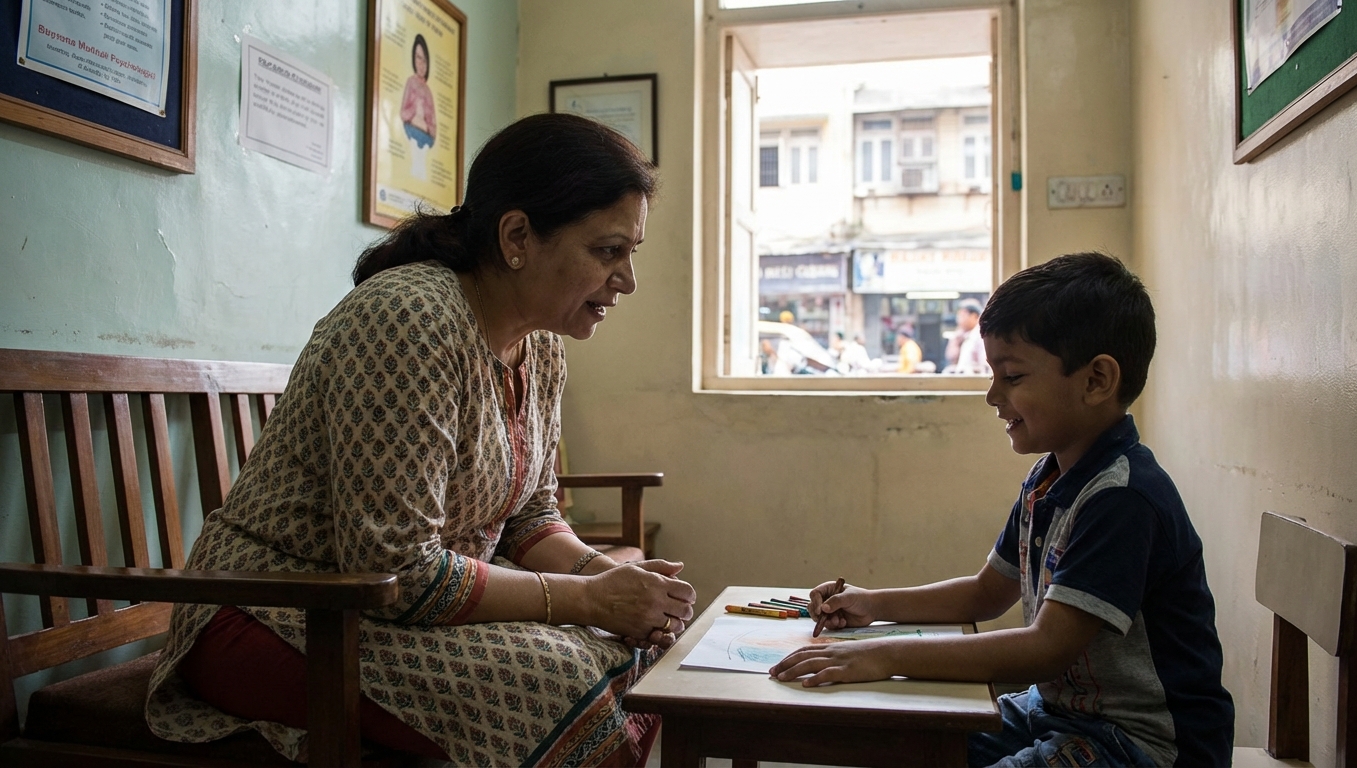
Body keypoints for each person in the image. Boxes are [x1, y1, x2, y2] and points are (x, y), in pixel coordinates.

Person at [145, 113, 697, 767]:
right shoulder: (410, 320)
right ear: (517, 234)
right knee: (559, 685)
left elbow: (531, 520)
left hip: (389, 612)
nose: (627, 280)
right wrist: (584, 598)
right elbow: (395, 571)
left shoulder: (541, 347)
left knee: (642, 642)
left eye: (631, 253)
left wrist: (617, 581)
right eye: (608, 251)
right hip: (278, 610)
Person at [771, 253, 1235, 767]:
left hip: (1143, 744)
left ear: (1097, 380)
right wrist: (874, 605)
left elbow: (1046, 649)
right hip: (1057, 713)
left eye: (1012, 376)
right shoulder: (1050, 480)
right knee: (901, 736)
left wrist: (881, 655)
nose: (992, 395)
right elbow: (985, 593)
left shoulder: (1123, 498)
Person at [401, 34, 437, 179]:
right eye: (418, 57)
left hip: (426, 137)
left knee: (421, 169)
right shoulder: (410, 82)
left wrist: (426, 126)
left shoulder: (428, 91)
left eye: (424, 59)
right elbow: (403, 113)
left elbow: (434, 125)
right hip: (412, 132)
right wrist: (415, 115)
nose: (421, 63)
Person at [943, 298, 989, 375]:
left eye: (963, 315)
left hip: (977, 383)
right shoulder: (963, 336)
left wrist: (971, 370)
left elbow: (985, 365)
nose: (959, 319)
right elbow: (951, 357)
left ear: (974, 316)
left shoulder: (981, 336)